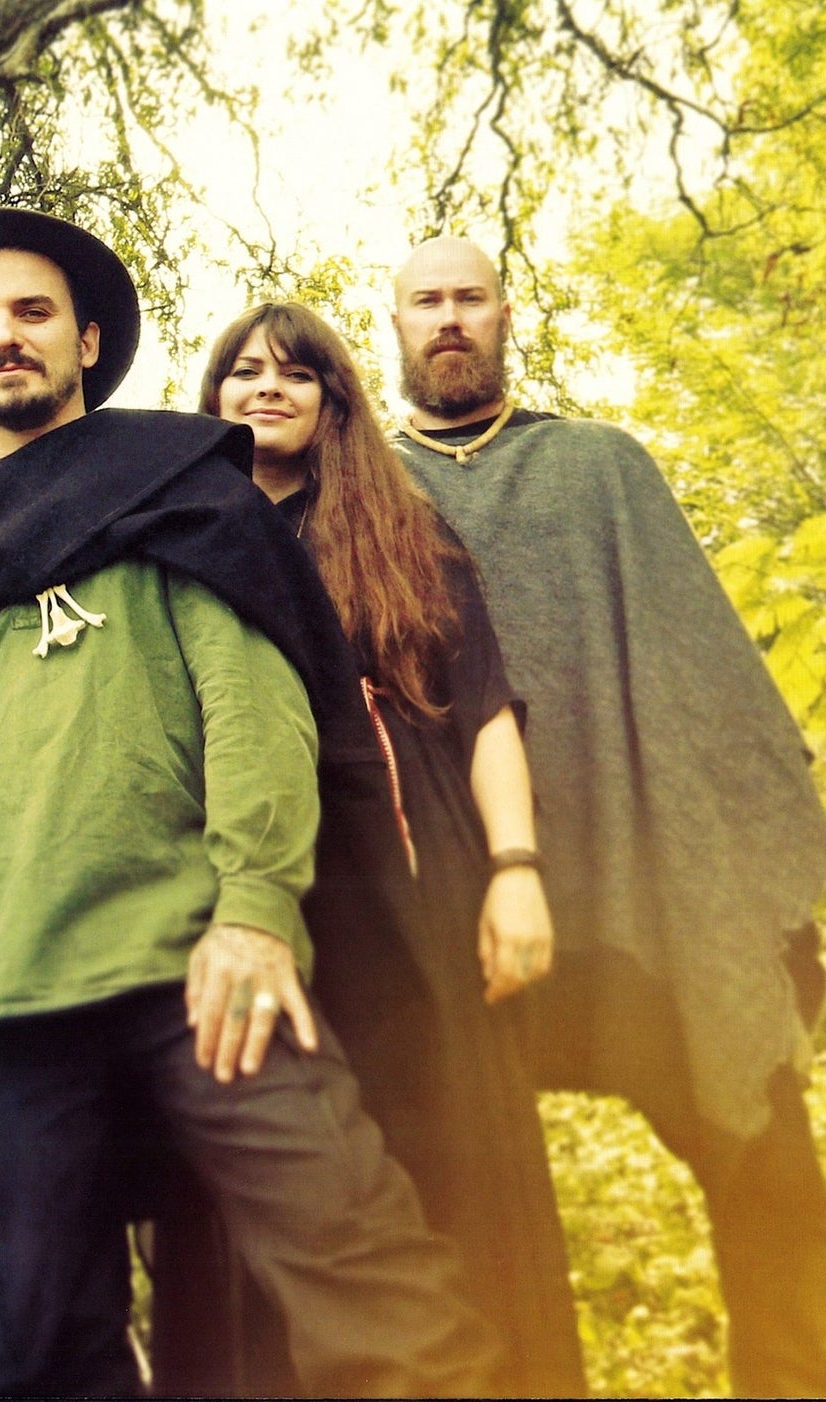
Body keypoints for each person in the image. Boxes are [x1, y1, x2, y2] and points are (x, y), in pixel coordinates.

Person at [0, 208, 498, 1397]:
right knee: (50, 1351)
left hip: (202, 971)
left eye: (33, 311)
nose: (4, 336)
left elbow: (256, 710)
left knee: (377, 1294)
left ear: (88, 340)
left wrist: (254, 909)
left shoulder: (175, 487)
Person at [390, 235, 826, 1398]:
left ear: (505, 315)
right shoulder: (362, 493)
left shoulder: (599, 466)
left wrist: (744, 883)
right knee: (453, 1213)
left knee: (767, 1160)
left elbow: (702, 678)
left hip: (644, 881)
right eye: (427, 301)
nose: (449, 318)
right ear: (395, 324)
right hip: (448, 906)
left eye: (470, 298)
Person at [155, 301, 583, 1397]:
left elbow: (484, 710)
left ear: (332, 402)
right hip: (250, 883)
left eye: (295, 374)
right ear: (212, 398)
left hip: (413, 872)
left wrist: (516, 872)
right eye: (243, 372)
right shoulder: (176, 545)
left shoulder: (404, 533)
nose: (267, 388)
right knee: (271, 1162)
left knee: (445, 1145)